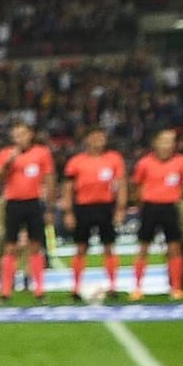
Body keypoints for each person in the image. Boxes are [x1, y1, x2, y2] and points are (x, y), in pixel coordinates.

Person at [0, 122, 54, 303]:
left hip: (34, 202)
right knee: (10, 247)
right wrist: (8, 162)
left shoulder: (42, 152)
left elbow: (49, 179)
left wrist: (49, 207)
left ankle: (39, 290)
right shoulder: (5, 154)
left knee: (35, 246)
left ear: (30, 135)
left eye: (22, 134)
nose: (19, 138)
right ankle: (5, 291)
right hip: (13, 203)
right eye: (16, 135)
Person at [61, 125, 126, 301]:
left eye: (102, 137)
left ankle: (113, 286)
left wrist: (121, 208)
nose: (99, 140)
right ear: (87, 140)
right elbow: (67, 188)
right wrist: (68, 211)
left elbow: (121, 184)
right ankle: (75, 288)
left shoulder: (114, 159)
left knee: (109, 247)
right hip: (83, 207)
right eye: (95, 137)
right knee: (81, 248)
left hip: (106, 207)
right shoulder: (76, 161)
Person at [130, 128, 183, 301]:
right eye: (163, 140)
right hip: (150, 207)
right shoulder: (144, 163)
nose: (166, 145)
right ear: (155, 143)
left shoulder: (182, 162)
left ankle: (176, 288)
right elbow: (137, 185)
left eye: (170, 141)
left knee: (174, 247)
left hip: (171, 207)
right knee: (143, 247)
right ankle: (137, 287)